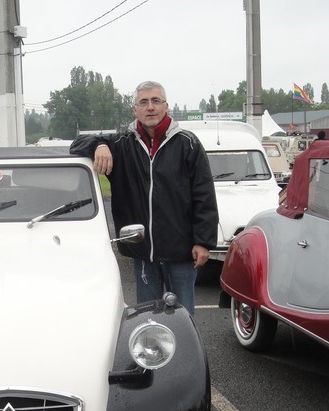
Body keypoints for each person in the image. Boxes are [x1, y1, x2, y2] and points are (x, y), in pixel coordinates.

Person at [69, 80, 218, 315]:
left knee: (183, 316)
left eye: (156, 101)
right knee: (147, 317)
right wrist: (99, 145)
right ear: (135, 110)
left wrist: (203, 241)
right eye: (144, 102)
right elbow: (77, 144)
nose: (150, 107)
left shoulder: (187, 144)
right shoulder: (122, 144)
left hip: (181, 250)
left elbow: (204, 194)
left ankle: (184, 353)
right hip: (143, 252)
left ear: (166, 106)